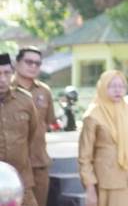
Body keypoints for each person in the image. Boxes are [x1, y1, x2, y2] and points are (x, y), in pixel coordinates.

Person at [78, 71, 128, 206]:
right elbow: (85, 156)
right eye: (112, 86)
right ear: (103, 87)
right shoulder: (93, 115)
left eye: (121, 86)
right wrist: (90, 188)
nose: (118, 90)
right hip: (107, 181)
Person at [12, 46, 56, 206]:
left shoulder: (44, 91)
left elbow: (48, 122)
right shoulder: (6, 91)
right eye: (29, 62)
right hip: (13, 165)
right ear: (17, 63)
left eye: (37, 63)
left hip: (39, 163)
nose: (33, 66)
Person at [0, 52, 39, 206]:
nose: (3, 79)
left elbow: (31, 135)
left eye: (7, 73)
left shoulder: (25, 100)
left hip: (21, 181)